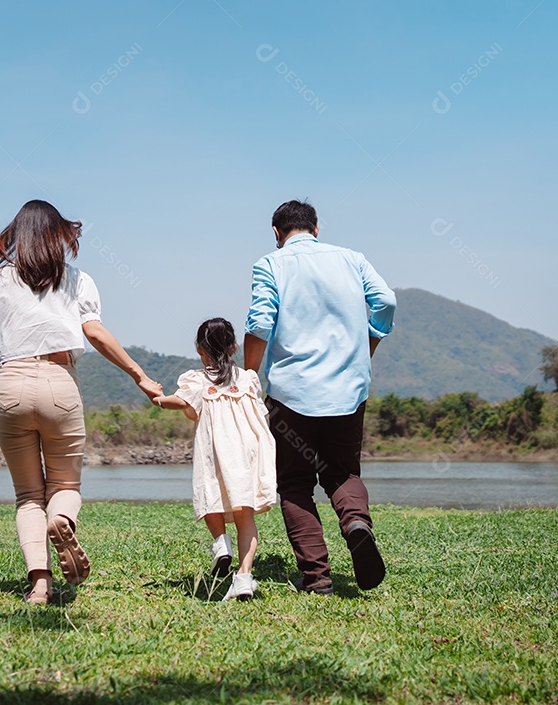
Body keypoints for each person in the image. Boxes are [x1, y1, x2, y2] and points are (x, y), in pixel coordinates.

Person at [0, 199, 162, 604]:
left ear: (16, 234)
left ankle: (40, 585)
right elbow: (95, 334)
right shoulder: (77, 280)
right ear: (57, 235)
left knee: (28, 496)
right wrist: (141, 376)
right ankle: (61, 519)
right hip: (60, 384)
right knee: (64, 485)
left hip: (10, 386)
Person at [243, 199, 396, 595]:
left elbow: (260, 322)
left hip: (292, 393)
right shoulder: (352, 259)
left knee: (294, 483)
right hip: (348, 389)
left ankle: (317, 578)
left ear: (277, 233)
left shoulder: (271, 264)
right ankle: (356, 523)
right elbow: (386, 301)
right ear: (316, 227)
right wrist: (370, 342)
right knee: (342, 473)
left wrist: (248, 375)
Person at [153, 317, 277, 601]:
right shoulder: (248, 379)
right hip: (248, 451)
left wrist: (158, 397)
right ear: (234, 347)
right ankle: (244, 578)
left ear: (199, 348)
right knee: (246, 516)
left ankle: (221, 544)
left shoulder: (196, 379)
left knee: (211, 496)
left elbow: (181, 402)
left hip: (214, 448)